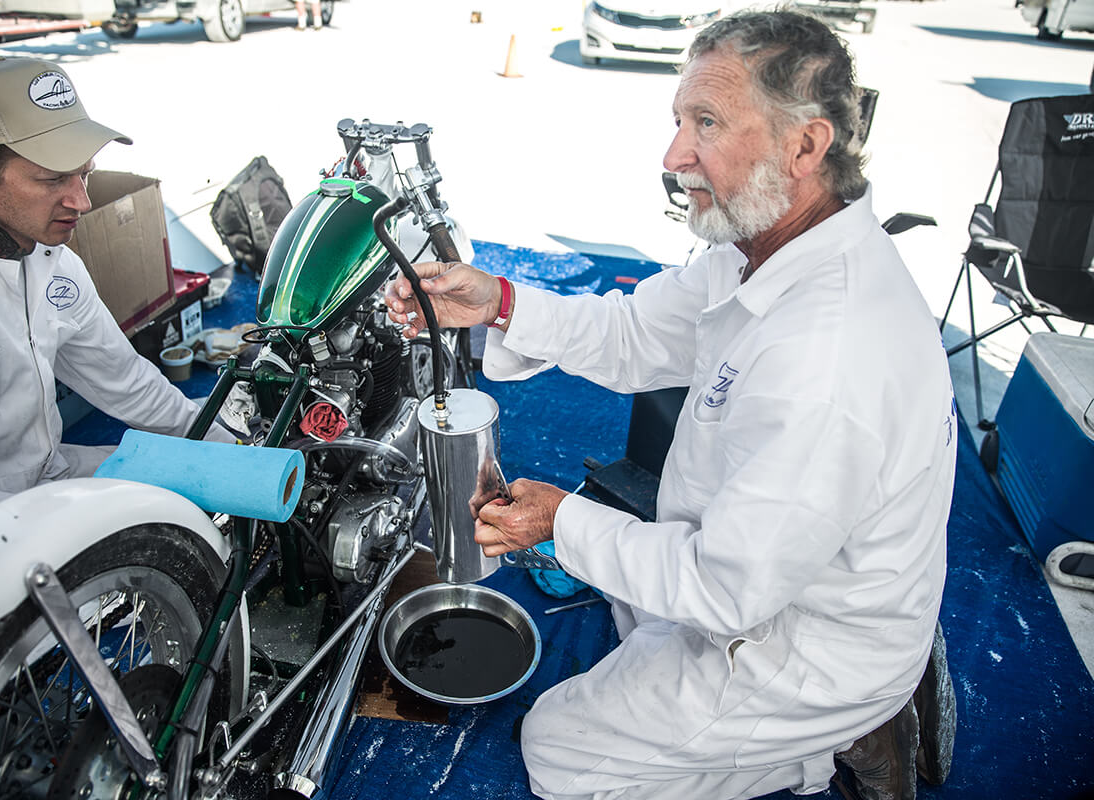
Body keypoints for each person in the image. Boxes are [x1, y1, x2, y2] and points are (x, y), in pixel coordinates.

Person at [386, 10, 957, 800]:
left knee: (559, 750)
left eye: (708, 124)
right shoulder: (763, 245)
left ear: (805, 145)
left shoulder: (831, 357)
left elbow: (727, 592)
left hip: (803, 641)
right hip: (753, 561)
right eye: (679, 120)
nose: (673, 155)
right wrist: (500, 303)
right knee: (634, 599)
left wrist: (561, 521)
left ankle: (840, 734)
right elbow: (636, 335)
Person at [0, 57, 235, 569]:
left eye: (83, 173)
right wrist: (68, 529)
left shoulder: (49, 258)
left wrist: (231, 450)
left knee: (202, 498)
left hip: (48, 481)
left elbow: (128, 385)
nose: (81, 199)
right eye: (53, 178)